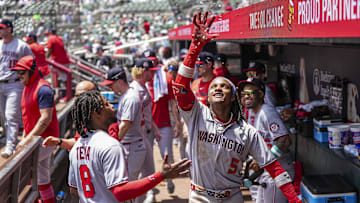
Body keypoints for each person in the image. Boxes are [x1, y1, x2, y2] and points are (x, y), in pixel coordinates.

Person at [171, 11, 301, 202]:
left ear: (233, 98)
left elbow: (273, 167)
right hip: (200, 196)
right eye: (214, 86)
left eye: (224, 86)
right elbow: (180, 87)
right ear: (207, 97)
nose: (218, 88)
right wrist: (195, 47)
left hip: (232, 196)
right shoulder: (197, 114)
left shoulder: (247, 132)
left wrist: (294, 199)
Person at [68, 90, 191, 202]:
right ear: (97, 114)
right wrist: (161, 175)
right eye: (106, 105)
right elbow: (120, 192)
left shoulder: (76, 147)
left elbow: (74, 190)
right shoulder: (109, 145)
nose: (112, 107)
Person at [238, 78, 295, 203]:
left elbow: (284, 141)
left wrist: (265, 161)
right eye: (244, 93)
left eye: (251, 93)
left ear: (261, 94)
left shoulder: (266, 112)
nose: (246, 96)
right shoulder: (251, 112)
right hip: (267, 172)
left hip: (279, 171)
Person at [11, 55, 58, 203]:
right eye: (17, 72)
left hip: (46, 139)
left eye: (22, 72)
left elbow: (46, 118)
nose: (19, 75)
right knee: (42, 176)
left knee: (20, 169)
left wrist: (27, 140)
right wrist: (26, 138)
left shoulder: (43, 88)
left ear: (31, 71)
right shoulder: (28, 87)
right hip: (37, 139)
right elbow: (28, 119)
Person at [101, 68, 147, 185]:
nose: (109, 87)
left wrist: (114, 145)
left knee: (128, 185)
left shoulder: (130, 98)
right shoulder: (126, 95)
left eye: (111, 84)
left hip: (132, 147)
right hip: (130, 145)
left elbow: (125, 125)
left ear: (120, 82)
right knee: (126, 185)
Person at [146, 55, 181, 194]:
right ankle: (150, 187)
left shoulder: (167, 78)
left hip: (163, 122)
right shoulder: (142, 81)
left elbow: (173, 102)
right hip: (147, 126)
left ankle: (169, 179)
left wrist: (177, 122)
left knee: (166, 155)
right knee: (147, 158)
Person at [0, 19, 33, 158]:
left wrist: (26, 80)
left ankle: (10, 146)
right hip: (0, 83)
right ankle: (9, 138)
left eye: (2, 28)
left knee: (11, 116)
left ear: (9, 29)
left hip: (14, 84)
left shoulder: (21, 45)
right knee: (4, 117)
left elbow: (31, 62)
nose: (0, 30)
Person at [130, 58, 162, 203]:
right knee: (134, 176)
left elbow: (148, 113)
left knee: (148, 174)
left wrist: (155, 129)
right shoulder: (134, 89)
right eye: (151, 71)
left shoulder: (144, 87)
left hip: (146, 135)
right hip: (138, 137)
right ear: (144, 71)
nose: (153, 74)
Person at [42, 80, 97, 150]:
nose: (80, 99)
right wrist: (59, 142)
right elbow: (78, 142)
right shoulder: (83, 116)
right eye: (77, 96)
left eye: (83, 95)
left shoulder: (102, 116)